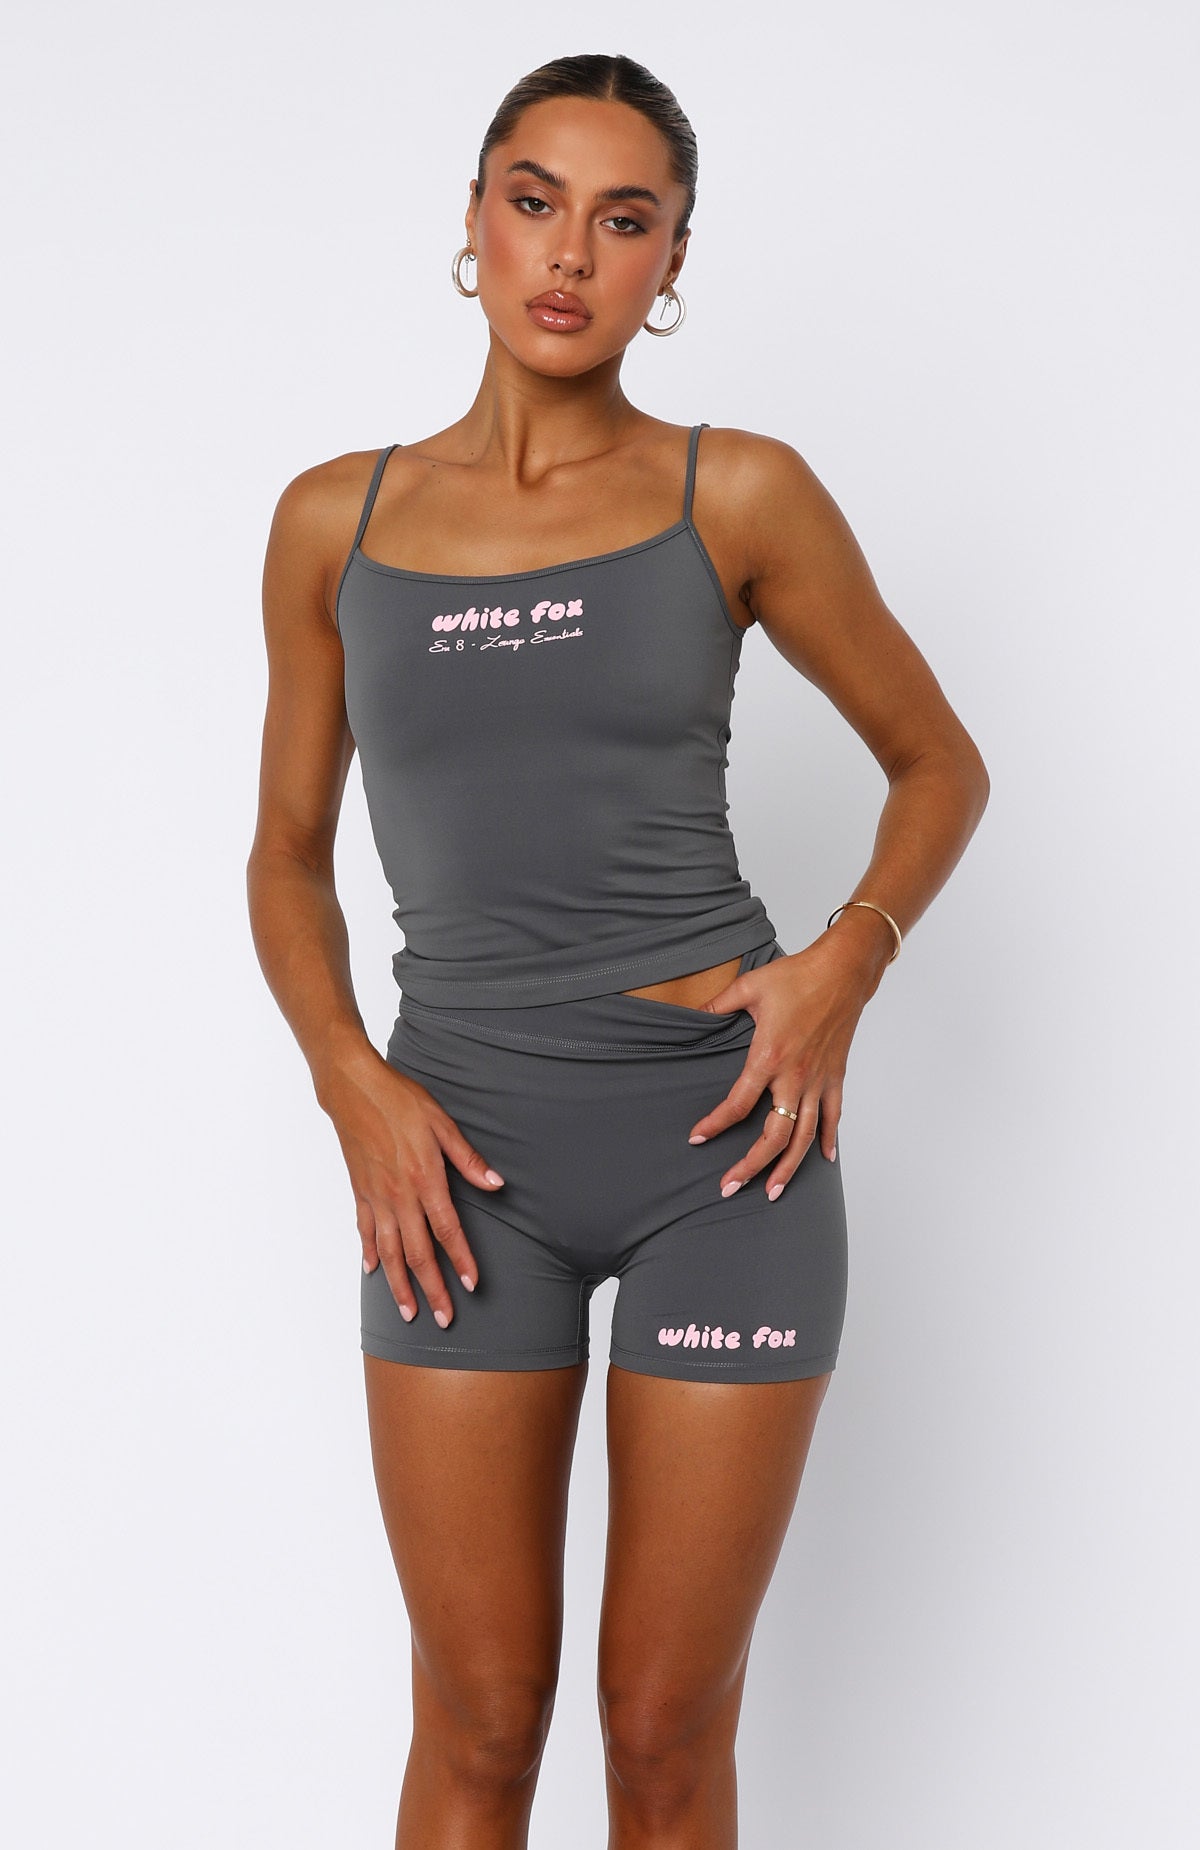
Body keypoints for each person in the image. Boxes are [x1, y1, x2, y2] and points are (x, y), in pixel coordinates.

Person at [246, 50, 989, 1850]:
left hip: (724, 1152)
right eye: (536, 201)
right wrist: (351, 1081)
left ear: (671, 263)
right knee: (479, 1714)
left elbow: (938, 764)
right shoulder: (336, 521)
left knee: (662, 1726)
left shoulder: (737, 494)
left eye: (625, 218)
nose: (572, 252)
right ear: (475, 224)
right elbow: (284, 855)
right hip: (455, 1166)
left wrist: (844, 965)